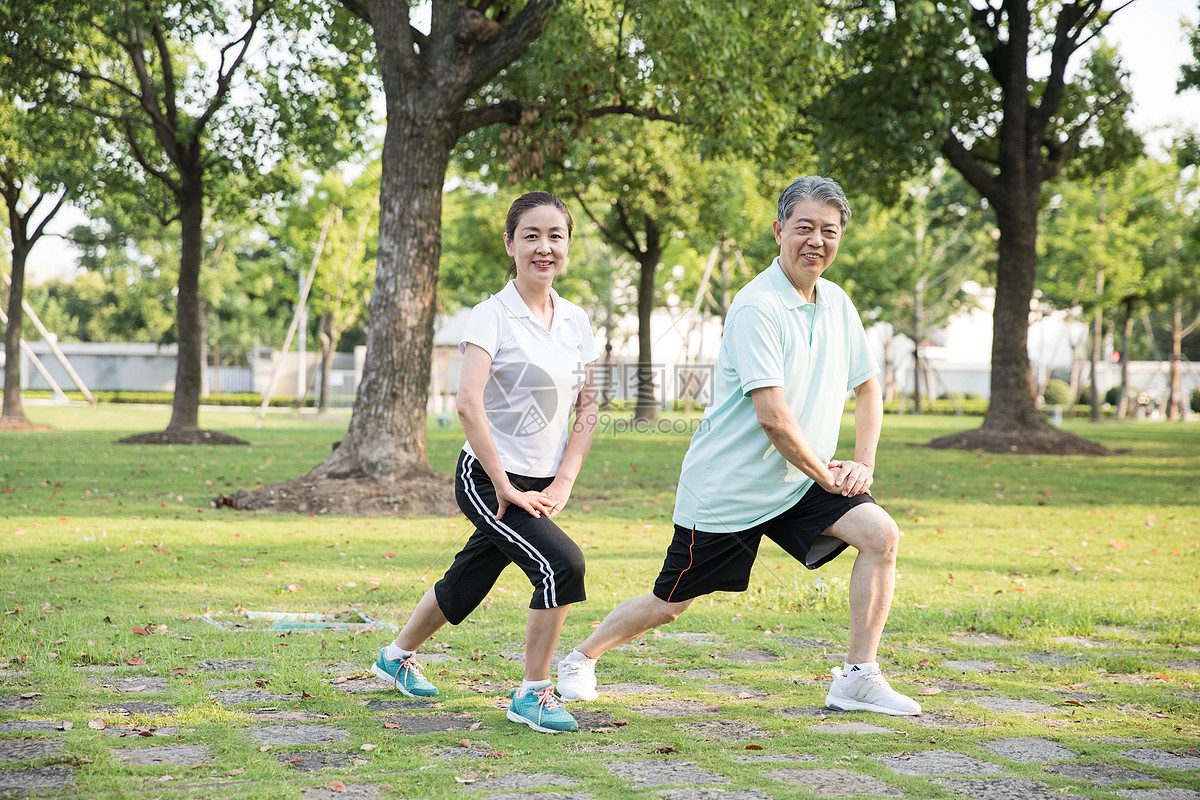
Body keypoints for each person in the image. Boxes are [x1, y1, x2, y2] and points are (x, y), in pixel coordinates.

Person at [555, 175, 921, 716]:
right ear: (779, 231)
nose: (816, 240)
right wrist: (827, 474)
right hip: (728, 491)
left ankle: (857, 678)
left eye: (829, 230)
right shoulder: (757, 307)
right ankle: (581, 658)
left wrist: (861, 465)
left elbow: (869, 387)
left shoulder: (839, 303)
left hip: (798, 480)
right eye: (804, 228)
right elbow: (772, 417)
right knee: (668, 604)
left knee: (880, 534)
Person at [372, 191, 599, 733]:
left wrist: (565, 478)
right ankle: (533, 693)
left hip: (542, 483)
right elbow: (467, 402)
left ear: (567, 245)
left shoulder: (575, 320)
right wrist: (504, 487)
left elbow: (590, 402)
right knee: (561, 566)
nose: (544, 248)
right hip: (487, 478)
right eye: (531, 236)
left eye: (555, 237)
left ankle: (396, 656)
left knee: (472, 573)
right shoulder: (491, 315)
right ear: (510, 244)